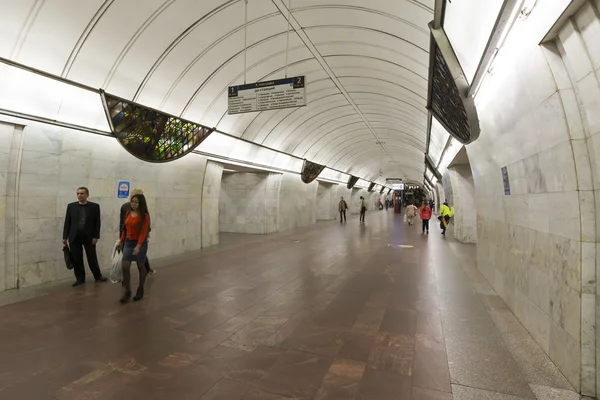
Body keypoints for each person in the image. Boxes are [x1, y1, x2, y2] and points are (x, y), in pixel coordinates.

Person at [62, 187, 107, 286]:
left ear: (87, 195)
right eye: (78, 193)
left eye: (82, 193)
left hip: (89, 237)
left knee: (92, 257)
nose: (79, 195)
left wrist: (96, 236)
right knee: (76, 258)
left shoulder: (94, 207)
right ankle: (80, 278)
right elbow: (67, 222)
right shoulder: (71, 206)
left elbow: (97, 223)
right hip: (74, 237)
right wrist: (65, 237)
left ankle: (97, 275)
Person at [116, 194, 151, 302]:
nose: (133, 204)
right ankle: (127, 291)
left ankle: (140, 288)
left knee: (141, 265)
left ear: (141, 203)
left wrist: (138, 246)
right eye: (132, 202)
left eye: (136, 202)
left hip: (140, 242)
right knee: (125, 266)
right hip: (128, 242)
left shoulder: (144, 216)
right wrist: (121, 242)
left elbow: (143, 232)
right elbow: (124, 230)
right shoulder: (128, 213)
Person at [120, 188, 154, 275]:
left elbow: (145, 223)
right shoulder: (127, 209)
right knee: (131, 259)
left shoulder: (128, 207)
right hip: (130, 237)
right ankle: (146, 270)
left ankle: (145, 271)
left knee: (138, 259)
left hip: (134, 237)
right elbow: (124, 224)